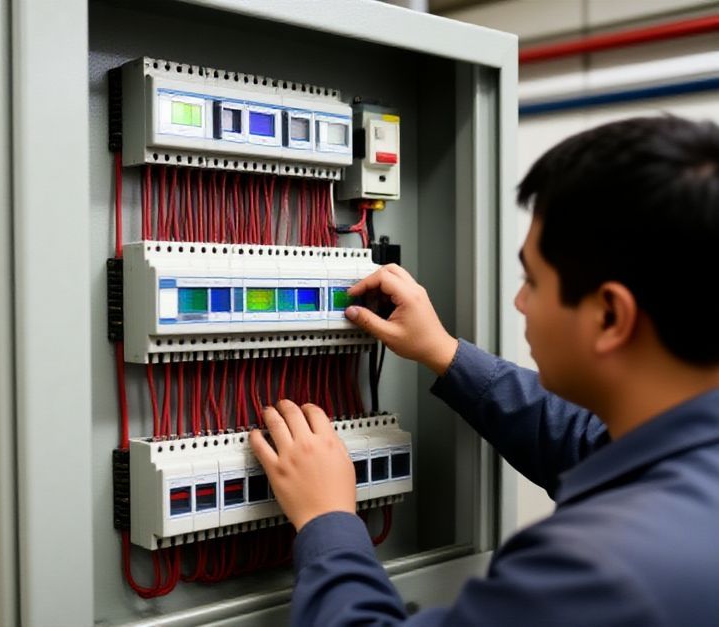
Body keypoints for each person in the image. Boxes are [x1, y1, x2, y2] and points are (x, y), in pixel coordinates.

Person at [249, 115, 719, 626]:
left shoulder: (597, 571)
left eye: (532, 281)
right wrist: (445, 352)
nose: (519, 302)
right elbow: (584, 443)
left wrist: (326, 518)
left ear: (610, 316)